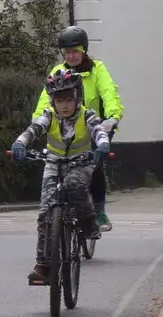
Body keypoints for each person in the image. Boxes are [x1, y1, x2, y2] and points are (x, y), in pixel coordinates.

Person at [11, 68, 112, 285]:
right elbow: (33, 129)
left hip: (81, 163)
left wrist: (103, 145)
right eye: (59, 100)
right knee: (45, 213)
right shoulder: (49, 116)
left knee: (75, 185)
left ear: (77, 98)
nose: (64, 105)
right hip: (54, 163)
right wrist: (20, 143)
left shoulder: (87, 115)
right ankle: (43, 264)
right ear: (53, 101)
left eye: (68, 99)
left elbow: (98, 131)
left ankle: (88, 221)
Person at [32, 26, 122, 229]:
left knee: (95, 166)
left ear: (84, 50)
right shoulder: (58, 72)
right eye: (68, 52)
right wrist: (38, 121)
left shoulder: (97, 69)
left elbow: (109, 93)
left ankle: (99, 211)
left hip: (94, 127)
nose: (71, 56)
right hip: (64, 126)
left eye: (76, 51)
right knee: (56, 163)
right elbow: (46, 99)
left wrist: (111, 118)